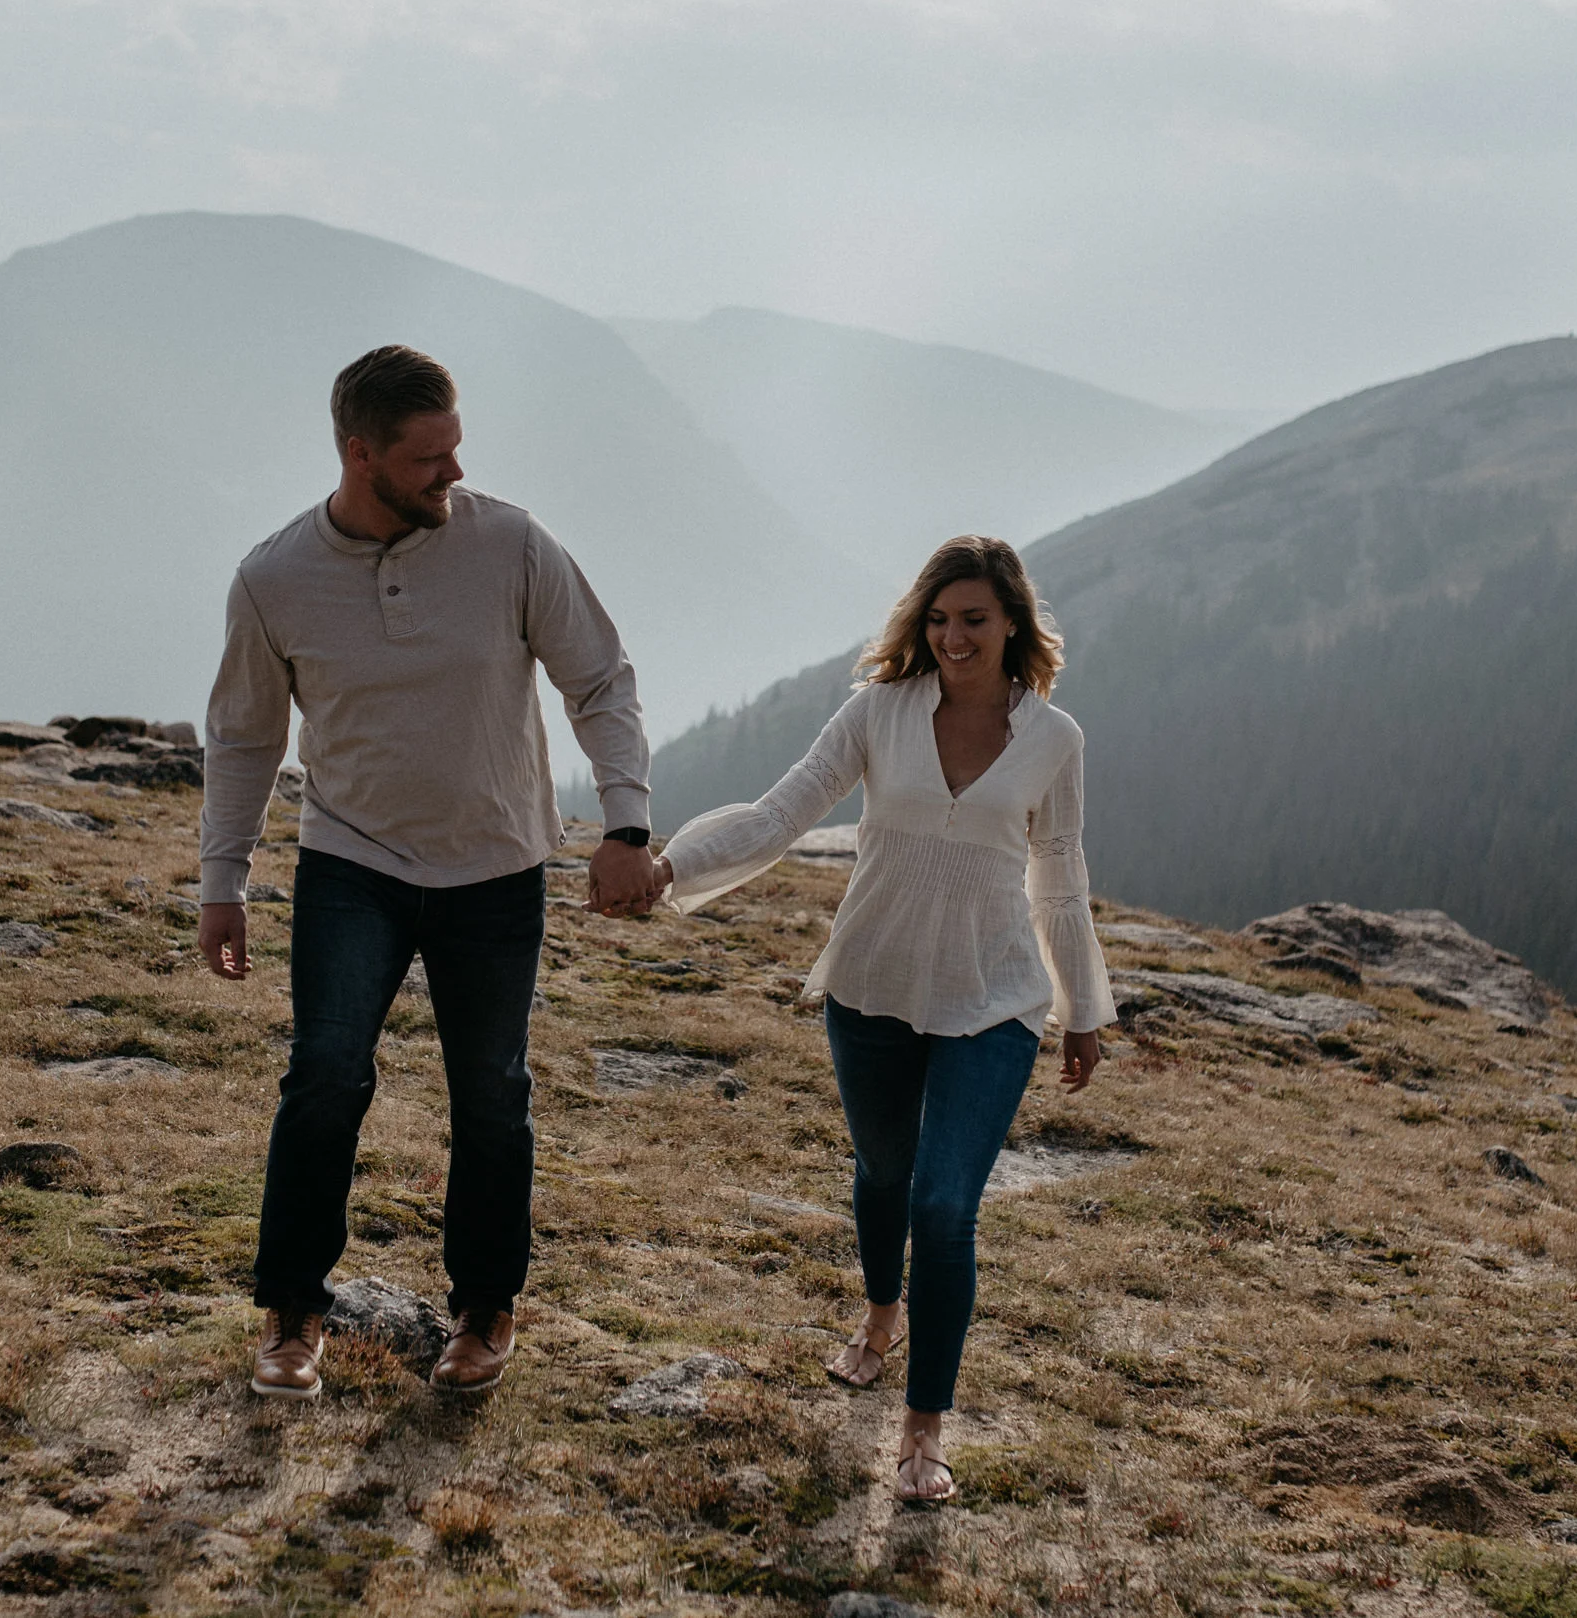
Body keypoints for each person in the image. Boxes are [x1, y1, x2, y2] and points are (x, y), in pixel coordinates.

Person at [196, 344, 663, 1401]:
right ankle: (291, 1315)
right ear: (360, 456)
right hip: (350, 863)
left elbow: (600, 678)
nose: (453, 474)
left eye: (456, 450)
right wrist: (220, 881)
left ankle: (485, 1309)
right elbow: (241, 740)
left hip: (496, 866)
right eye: (427, 460)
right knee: (324, 1076)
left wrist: (626, 822)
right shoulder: (272, 579)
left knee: (491, 1094)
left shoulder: (510, 544)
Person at [654, 535, 1117, 1504]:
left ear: (1013, 625)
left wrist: (1081, 1008)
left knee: (945, 1208)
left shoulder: (1053, 739)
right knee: (884, 1173)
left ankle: (921, 1431)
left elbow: (1060, 879)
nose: (955, 637)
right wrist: (666, 870)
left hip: (992, 999)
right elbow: (777, 818)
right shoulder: (877, 713)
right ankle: (877, 1315)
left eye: (975, 620)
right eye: (940, 619)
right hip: (870, 984)